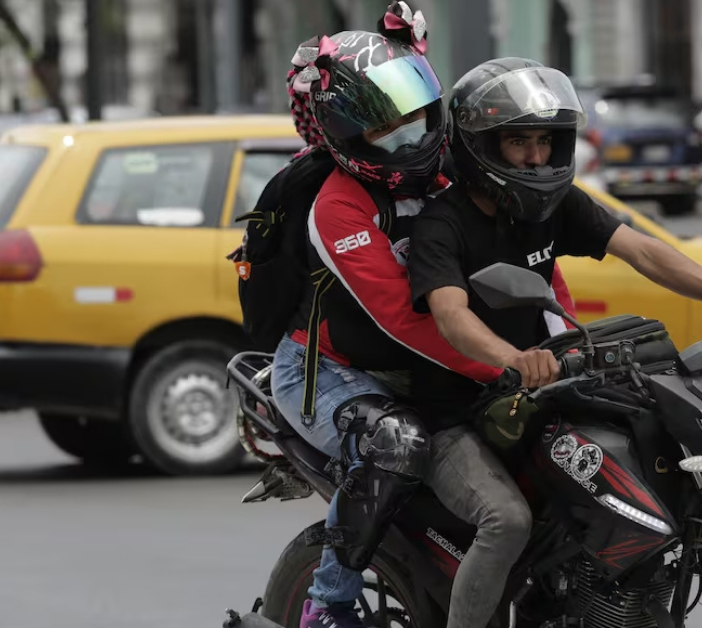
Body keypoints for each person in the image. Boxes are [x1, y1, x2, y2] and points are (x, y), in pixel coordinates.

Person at [405, 57, 702, 628]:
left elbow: (641, 251)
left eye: (544, 141)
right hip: (458, 409)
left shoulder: (553, 205)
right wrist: (513, 358)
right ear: (479, 147)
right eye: (518, 143)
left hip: (538, 394)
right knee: (506, 521)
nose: (536, 157)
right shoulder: (443, 225)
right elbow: (450, 314)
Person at [261, 6, 580, 628]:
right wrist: (508, 366)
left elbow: (534, 265)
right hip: (332, 374)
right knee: (394, 442)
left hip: (432, 371)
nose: (412, 136)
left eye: (417, 117)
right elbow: (400, 322)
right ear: (346, 134)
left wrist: (565, 345)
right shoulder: (338, 209)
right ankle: (327, 604)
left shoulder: (449, 177)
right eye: (389, 130)